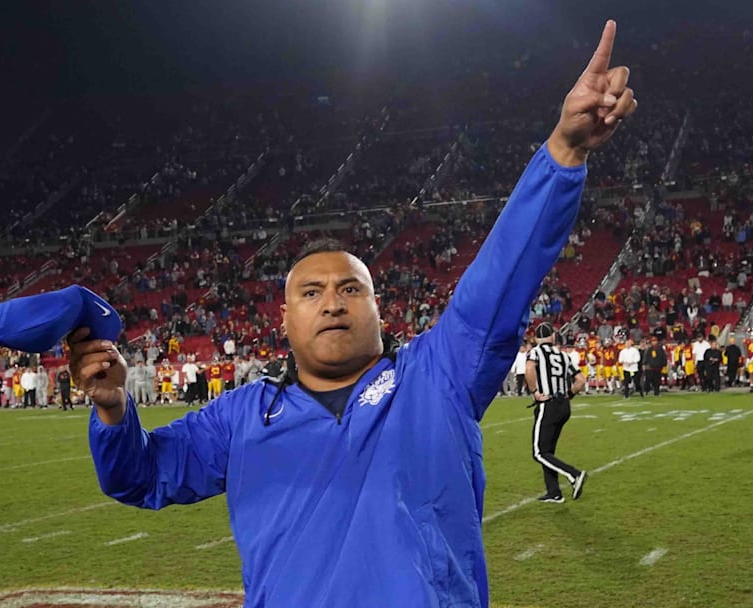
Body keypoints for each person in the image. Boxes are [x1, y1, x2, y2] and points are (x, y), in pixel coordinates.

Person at [69, 22, 634, 608]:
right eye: (311, 293)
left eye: (350, 289)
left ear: (379, 310)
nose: (333, 301)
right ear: (284, 319)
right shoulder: (239, 418)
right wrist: (112, 408)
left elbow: (504, 275)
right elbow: (139, 475)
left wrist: (564, 151)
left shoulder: (438, 377)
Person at [525, 323, 588, 504]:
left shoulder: (536, 352)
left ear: (536, 339)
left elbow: (529, 369)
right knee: (548, 451)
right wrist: (569, 394)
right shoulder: (563, 356)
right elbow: (581, 380)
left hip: (548, 404)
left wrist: (535, 392)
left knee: (539, 452)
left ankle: (574, 474)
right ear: (553, 337)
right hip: (563, 406)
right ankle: (554, 492)